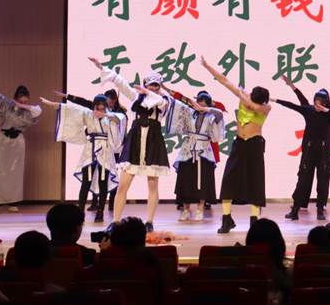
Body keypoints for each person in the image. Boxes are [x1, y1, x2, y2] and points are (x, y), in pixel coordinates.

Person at [90, 57, 171, 233]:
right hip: (135, 139)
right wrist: (101, 66)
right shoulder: (137, 97)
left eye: (156, 85)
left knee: (152, 183)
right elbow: (120, 82)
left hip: (153, 140)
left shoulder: (164, 100)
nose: (153, 88)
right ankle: (115, 221)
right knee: (123, 184)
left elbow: (159, 102)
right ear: (145, 83)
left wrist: (148, 92)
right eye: (150, 85)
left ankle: (149, 221)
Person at [200, 56, 272, 234]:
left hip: (255, 144)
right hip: (239, 143)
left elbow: (256, 108)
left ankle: (254, 221)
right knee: (229, 180)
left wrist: (244, 97)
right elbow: (224, 80)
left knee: (255, 182)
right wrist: (208, 66)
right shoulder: (244, 96)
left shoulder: (266, 107)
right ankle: (226, 219)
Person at [42, 94, 125, 223]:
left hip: (105, 150)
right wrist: (54, 105)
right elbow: (71, 110)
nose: (100, 111)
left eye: (102, 108)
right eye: (97, 108)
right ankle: (80, 213)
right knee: (86, 182)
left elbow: (120, 119)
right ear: (94, 106)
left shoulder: (110, 116)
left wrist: (105, 115)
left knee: (103, 182)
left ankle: (100, 212)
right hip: (90, 149)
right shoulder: (88, 114)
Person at [276, 76, 330, 221]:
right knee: (303, 179)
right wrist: (277, 98)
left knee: (323, 179)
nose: (317, 103)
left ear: (326, 102)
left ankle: (320, 210)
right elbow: (294, 104)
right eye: (316, 100)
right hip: (309, 150)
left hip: (324, 152)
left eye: (321, 101)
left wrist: (327, 110)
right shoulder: (309, 110)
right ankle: (295, 210)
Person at [0, 73, 42, 213]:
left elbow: (38, 110)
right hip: (4, 140)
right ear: (15, 98)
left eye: (26, 101)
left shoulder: (29, 111)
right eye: (21, 100)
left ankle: (13, 202)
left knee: (15, 172)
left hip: (18, 141)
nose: (23, 103)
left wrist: (23, 106)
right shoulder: (7, 105)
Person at [164, 88, 226, 222]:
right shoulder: (189, 113)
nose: (200, 108)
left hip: (204, 151)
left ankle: (200, 209)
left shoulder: (212, 116)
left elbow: (220, 115)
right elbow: (177, 105)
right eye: (199, 104)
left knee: (203, 181)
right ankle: (186, 210)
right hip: (188, 149)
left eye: (204, 105)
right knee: (185, 180)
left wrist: (206, 110)